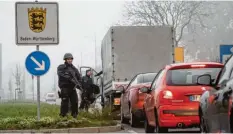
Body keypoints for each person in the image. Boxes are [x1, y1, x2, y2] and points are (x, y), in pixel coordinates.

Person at [57, 53, 81, 118]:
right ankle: (63, 116)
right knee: (65, 102)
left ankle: (74, 116)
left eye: (71, 59)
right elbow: (60, 74)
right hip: (65, 87)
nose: (70, 60)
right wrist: (69, 78)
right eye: (68, 59)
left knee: (75, 102)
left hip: (73, 88)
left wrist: (79, 84)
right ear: (65, 60)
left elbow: (79, 77)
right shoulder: (61, 67)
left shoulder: (74, 69)